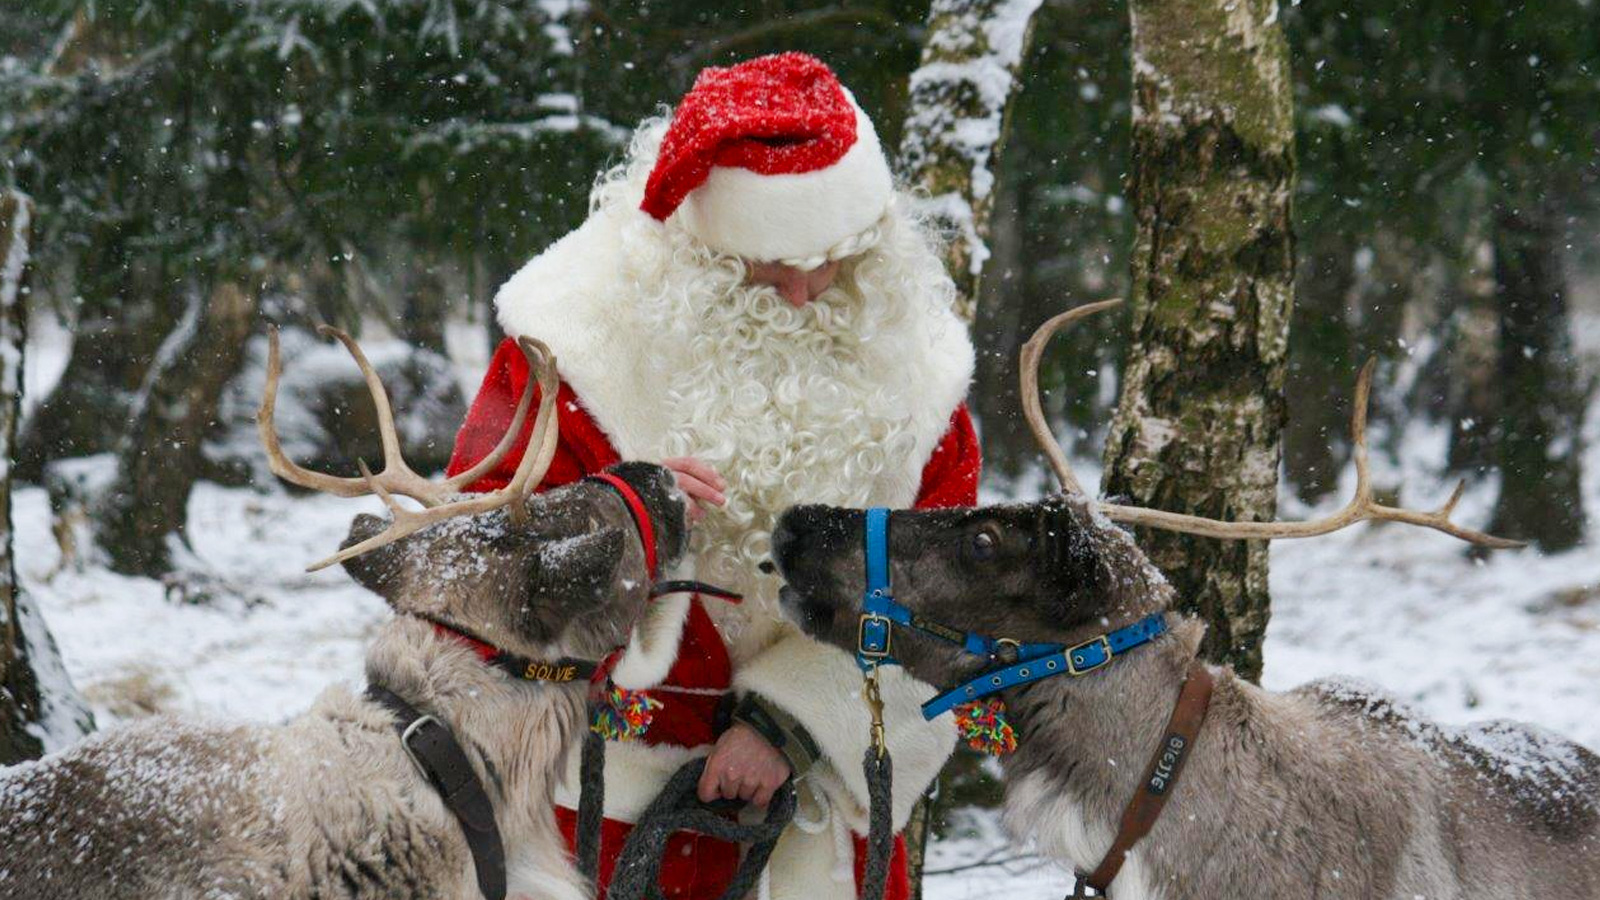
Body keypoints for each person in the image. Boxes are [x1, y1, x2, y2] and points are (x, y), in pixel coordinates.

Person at [447, 52, 979, 900]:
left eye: (837, 256)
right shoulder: (570, 351)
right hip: (601, 816)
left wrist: (792, 725)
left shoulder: (917, 371)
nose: (808, 293)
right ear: (699, 250)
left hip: (823, 827)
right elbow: (472, 570)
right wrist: (618, 521)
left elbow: (944, 598)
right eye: (770, 268)